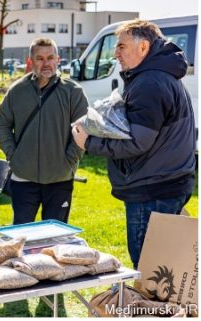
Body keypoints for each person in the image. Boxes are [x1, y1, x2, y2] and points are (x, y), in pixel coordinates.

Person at [73, 20, 196, 268]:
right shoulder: (160, 76)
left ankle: (152, 309)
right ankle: (168, 307)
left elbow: (139, 143)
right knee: (167, 267)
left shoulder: (149, 82)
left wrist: (89, 142)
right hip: (168, 182)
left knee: (148, 268)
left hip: (153, 188)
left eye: (121, 46)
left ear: (143, 47)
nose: (116, 53)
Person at [0, 38, 87, 225]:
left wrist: (70, 160)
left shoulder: (73, 92)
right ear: (31, 61)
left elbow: (83, 129)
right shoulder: (17, 91)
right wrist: (14, 156)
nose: (46, 63)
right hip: (23, 177)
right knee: (21, 234)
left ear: (58, 60)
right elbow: (2, 123)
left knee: (54, 238)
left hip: (60, 178)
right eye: (40, 58)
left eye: (50, 58)